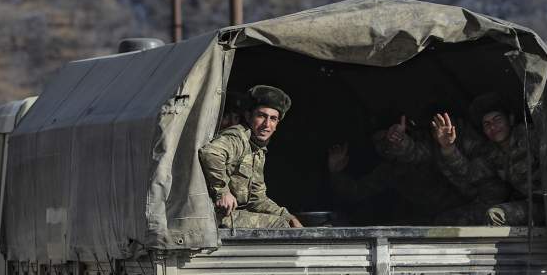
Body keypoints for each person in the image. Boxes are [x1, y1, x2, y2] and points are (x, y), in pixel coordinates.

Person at [326, 117, 470, 225]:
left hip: (461, 215)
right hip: (427, 223)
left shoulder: (426, 151)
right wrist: (336, 172)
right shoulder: (389, 170)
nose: (383, 146)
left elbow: (464, 174)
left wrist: (402, 142)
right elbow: (356, 192)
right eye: (377, 143)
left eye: (387, 138)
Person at [431, 93, 543, 226]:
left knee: (494, 215)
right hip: (528, 204)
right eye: (487, 124)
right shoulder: (491, 153)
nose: (493, 127)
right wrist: (448, 147)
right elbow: (470, 174)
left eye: (498, 120)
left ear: (510, 120)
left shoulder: (529, 137)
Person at [199, 85, 303, 229]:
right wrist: (222, 192)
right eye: (261, 116)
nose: (267, 124)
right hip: (212, 216)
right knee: (280, 225)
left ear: (277, 124)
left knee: (288, 222)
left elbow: (257, 199)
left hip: (228, 216)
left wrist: (287, 215)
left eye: (273, 119)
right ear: (248, 116)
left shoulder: (257, 150)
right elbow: (211, 153)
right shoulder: (238, 137)